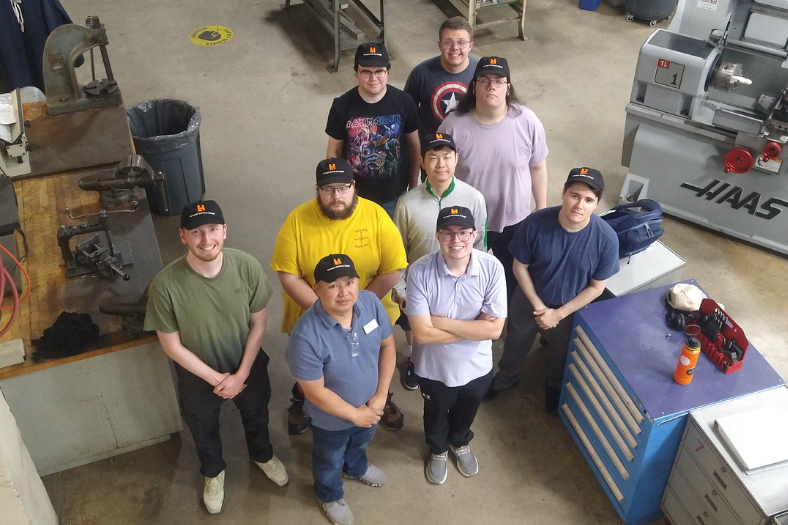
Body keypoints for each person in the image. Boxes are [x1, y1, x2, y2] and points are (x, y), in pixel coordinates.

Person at [144, 200, 288, 515]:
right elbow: (172, 346)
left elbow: (259, 324)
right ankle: (213, 472)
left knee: (257, 416)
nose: (206, 239)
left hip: (246, 365)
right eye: (196, 232)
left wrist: (241, 375)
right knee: (203, 429)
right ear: (182, 236)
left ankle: (263, 456)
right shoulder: (165, 285)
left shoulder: (246, 266)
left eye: (212, 229)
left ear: (224, 231)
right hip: (197, 376)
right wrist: (216, 379)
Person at [271, 158, 408, 435]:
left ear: (354, 186)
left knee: (371, 358)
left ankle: (378, 398)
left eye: (343, 188)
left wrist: (358, 309)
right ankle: (303, 399)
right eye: (328, 189)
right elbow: (288, 275)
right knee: (312, 366)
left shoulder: (377, 217)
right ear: (317, 190)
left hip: (368, 311)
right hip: (312, 313)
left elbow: (392, 269)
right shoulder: (297, 220)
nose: (336, 196)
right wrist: (326, 312)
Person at [484, 168, 620, 414]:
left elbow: (597, 287)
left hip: (569, 308)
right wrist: (538, 305)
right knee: (516, 339)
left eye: (589, 200)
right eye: (574, 196)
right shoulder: (536, 223)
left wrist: (558, 314)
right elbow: (520, 267)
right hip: (528, 299)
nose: (579, 205)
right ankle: (507, 377)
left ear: (597, 203)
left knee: (561, 350)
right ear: (564, 193)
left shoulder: (606, 239)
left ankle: (554, 385)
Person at [286, 254, 396, 525]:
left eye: (349, 282)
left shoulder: (370, 303)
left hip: (371, 408)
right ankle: (328, 493)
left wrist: (380, 396)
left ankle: (355, 467)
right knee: (328, 459)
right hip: (330, 420)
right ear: (317, 289)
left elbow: (388, 347)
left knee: (361, 442)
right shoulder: (305, 336)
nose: (344, 292)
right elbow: (314, 392)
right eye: (333, 285)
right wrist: (354, 415)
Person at [406, 206, 506, 484]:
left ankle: (460, 442)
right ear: (437, 236)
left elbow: (495, 330)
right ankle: (438, 448)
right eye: (448, 233)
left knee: (467, 410)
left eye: (463, 233)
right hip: (433, 368)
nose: (456, 240)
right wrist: (477, 328)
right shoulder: (419, 271)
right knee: (436, 412)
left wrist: (439, 321)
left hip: (477, 367)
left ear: (475, 235)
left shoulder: (492, 268)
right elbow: (422, 335)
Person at [438, 56, 549, 300]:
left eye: (499, 81)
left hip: (514, 220)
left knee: (509, 279)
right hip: (466, 221)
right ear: (474, 85)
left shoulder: (527, 121)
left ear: (508, 87)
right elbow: (439, 175)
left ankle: (499, 323)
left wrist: (540, 209)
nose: (492, 86)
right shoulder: (453, 126)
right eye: (485, 80)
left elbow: (538, 167)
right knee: (463, 276)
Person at [392, 133, 487, 390]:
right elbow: (398, 251)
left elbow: (480, 246)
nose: (441, 164)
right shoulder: (407, 203)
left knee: (457, 327)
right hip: (420, 285)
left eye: (447, 157)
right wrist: (401, 290)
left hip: (460, 281)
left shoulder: (474, 198)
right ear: (422, 162)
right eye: (433, 158)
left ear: (457, 159)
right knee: (418, 329)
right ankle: (415, 359)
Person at [326, 42, 421, 217]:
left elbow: (414, 147)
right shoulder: (341, 106)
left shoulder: (404, 102)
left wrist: (413, 187)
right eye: (366, 72)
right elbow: (334, 152)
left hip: (395, 195)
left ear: (388, 72)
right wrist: (339, 192)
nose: (373, 78)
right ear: (356, 73)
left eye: (379, 71)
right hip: (356, 197)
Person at [404, 17, 478, 137]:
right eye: (448, 42)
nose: (455, 48)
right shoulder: (421, 73)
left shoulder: (481, 73)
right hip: (430, 149)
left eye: (461, 42)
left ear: (470, 46)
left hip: (469, 146)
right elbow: (407, 113)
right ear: (439, 45)